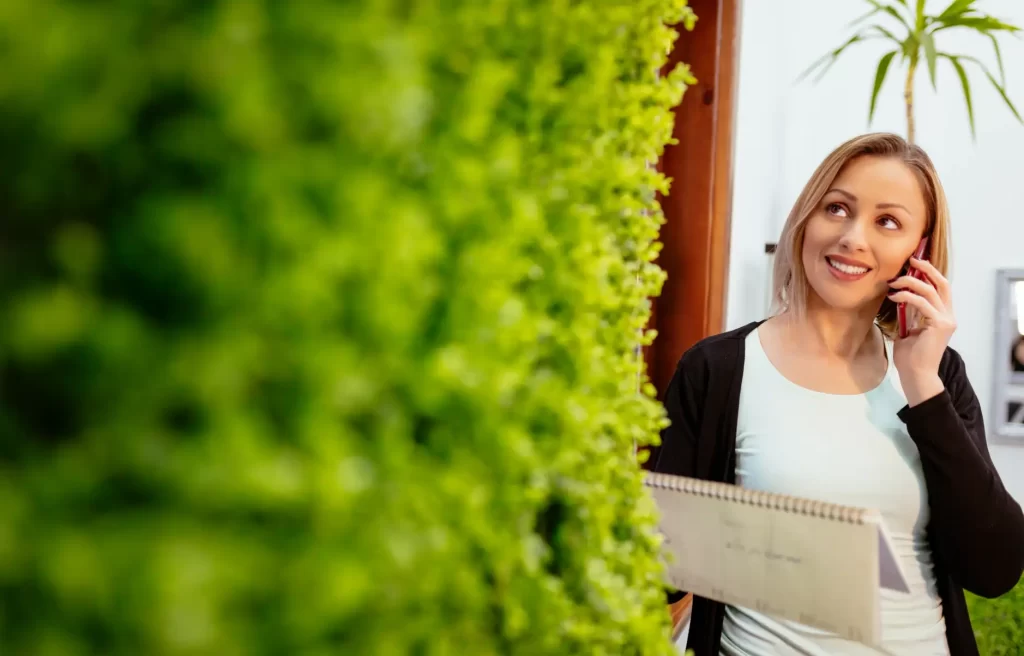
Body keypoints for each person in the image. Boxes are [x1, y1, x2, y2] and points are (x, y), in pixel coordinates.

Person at [653, 133, 1024, 655]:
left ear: (918, 253)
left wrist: (923, 386)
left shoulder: (938, 377)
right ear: (806, 217)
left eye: (887, 221)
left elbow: (995, 570)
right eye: (837, 207)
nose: (853, 237)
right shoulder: (716, 370)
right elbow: (662, 567)